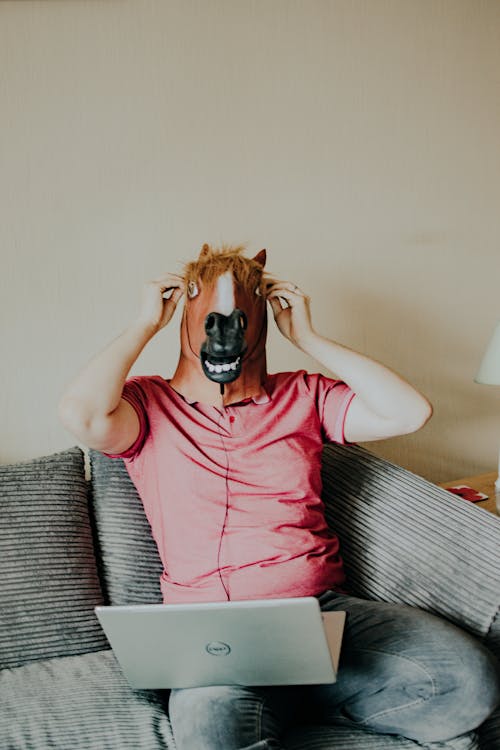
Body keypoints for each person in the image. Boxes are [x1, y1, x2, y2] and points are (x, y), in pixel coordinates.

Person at [59, 245, 500, 750]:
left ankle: (297, 701)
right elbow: (82, 416)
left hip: (322, 614)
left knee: (472, 683)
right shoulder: (148, 404)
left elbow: (408, 413)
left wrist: (308, 338)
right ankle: (287, 705)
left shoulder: (303, 395)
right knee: (213, 735)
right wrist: (144, 324)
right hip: (214, 637)